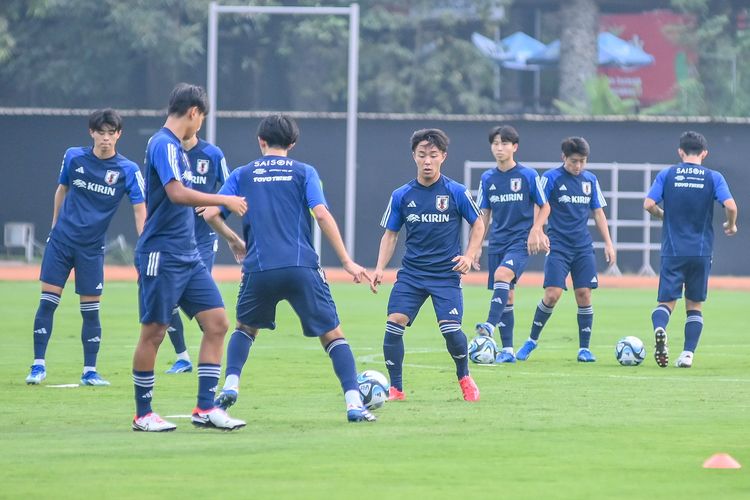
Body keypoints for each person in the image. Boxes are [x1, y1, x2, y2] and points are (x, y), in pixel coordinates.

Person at [203, 113, 377, 423]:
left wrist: (233, 240)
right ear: (293, 144)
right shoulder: (304, 172)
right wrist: (347, 261)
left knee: (245, 329)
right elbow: (321, 215)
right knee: (332, 335)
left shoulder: (243, 174)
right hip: (301, 267)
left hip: (259, 269)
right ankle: (353, 403)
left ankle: (230, 384)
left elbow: (211, 214)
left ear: (261, 141)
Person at [131, 83, 248, 432]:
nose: (200, 127)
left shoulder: (179, 149)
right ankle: (143, 414)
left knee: (217, 323)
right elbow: (176, 193)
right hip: (161, 253)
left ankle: (205, 408)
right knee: (153, 331)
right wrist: (222, 200)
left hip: (188, 255)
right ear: (194, 112)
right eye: (201, 119)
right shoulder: (163, 143)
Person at [25, 109, 146, 387]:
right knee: (47, 303)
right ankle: (37, 366)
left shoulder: (128, 170)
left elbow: (140, 210)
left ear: (119, 135)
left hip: (92, 249)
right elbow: (61, 190)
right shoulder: (73, 156)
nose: (105, 138)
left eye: (111, 132)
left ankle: (90, 371)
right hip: (62, 243)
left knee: (90, 311)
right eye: (100, 132)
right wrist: (55, 228)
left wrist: (146, 244)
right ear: (91, 132)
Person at [371, 128, 485, 402]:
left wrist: (469, 256)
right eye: (422, 155)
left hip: (446, 276)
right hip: (411, 275)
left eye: (433, 155)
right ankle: (396, 389)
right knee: (393, 324)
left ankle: (465, 377)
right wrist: (379, 268)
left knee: (450, 330)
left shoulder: (456, 192)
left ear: (443, 157)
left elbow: (478, 223)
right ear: (414, 156)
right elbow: (391, 234)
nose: (427, 161)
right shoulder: (402, 195)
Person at [515, 137, 615, 362]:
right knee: (552, 294)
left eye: (582, 161)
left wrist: (608, 242)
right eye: (573, 161)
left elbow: (598, 212)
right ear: (563, 158)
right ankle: (531, 340)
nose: (578, 166)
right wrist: (537, 229)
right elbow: (540, 205)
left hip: (583, 246)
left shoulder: (590, 180)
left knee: (584, 294)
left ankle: (584, 349)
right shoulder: (551, 178)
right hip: (558, 245)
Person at [644, 131, 738, 368]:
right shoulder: (713, 177)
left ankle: (660, 329)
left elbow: (648, 204)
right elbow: (730, 205)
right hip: (701, 251)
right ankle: (687, 355)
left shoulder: (667, 174)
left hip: (673, 250)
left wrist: (663, 216)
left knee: (666, 301)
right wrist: (731, 223)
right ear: (704, 153)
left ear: (680, 152)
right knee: (694, 304)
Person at [473, 125, 550, 363]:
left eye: (505, 143)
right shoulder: (487, 178)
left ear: (514, 147)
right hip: (497, 241)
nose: (499, 148)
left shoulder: (528, 175)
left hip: (520, 240)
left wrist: (536, 229)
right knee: (507, 296)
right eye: (495, 143)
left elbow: (545, 205)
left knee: (502, 274)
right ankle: (507, 351)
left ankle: (489, 325)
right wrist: (475, 247)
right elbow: (483, 215)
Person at [165, 133, 232, 374]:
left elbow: (230, 188)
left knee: (197, 295)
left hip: (203, 239)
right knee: (169, 297)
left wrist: (216, 205)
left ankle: (214, 354)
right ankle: (182, 357)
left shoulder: (212, 154)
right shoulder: (167, 151)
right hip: (173, 239)